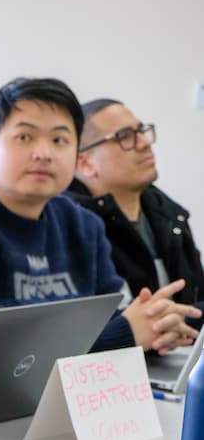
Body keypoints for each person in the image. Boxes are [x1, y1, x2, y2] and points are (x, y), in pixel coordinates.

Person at [0, 77, 200, 376]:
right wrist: (125, 336)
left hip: (63, 396)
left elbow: (112, 315)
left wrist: (155, 323)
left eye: (59, 140)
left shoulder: (83, 225)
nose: (44, 153)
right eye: (25, 137)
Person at [67, 98, 204, 321]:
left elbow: (196, 300)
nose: (143, 142)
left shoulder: (170, 214)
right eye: (124, 136)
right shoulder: (72, 226)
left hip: (183, 353)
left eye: (141, 130)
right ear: (85, 164)